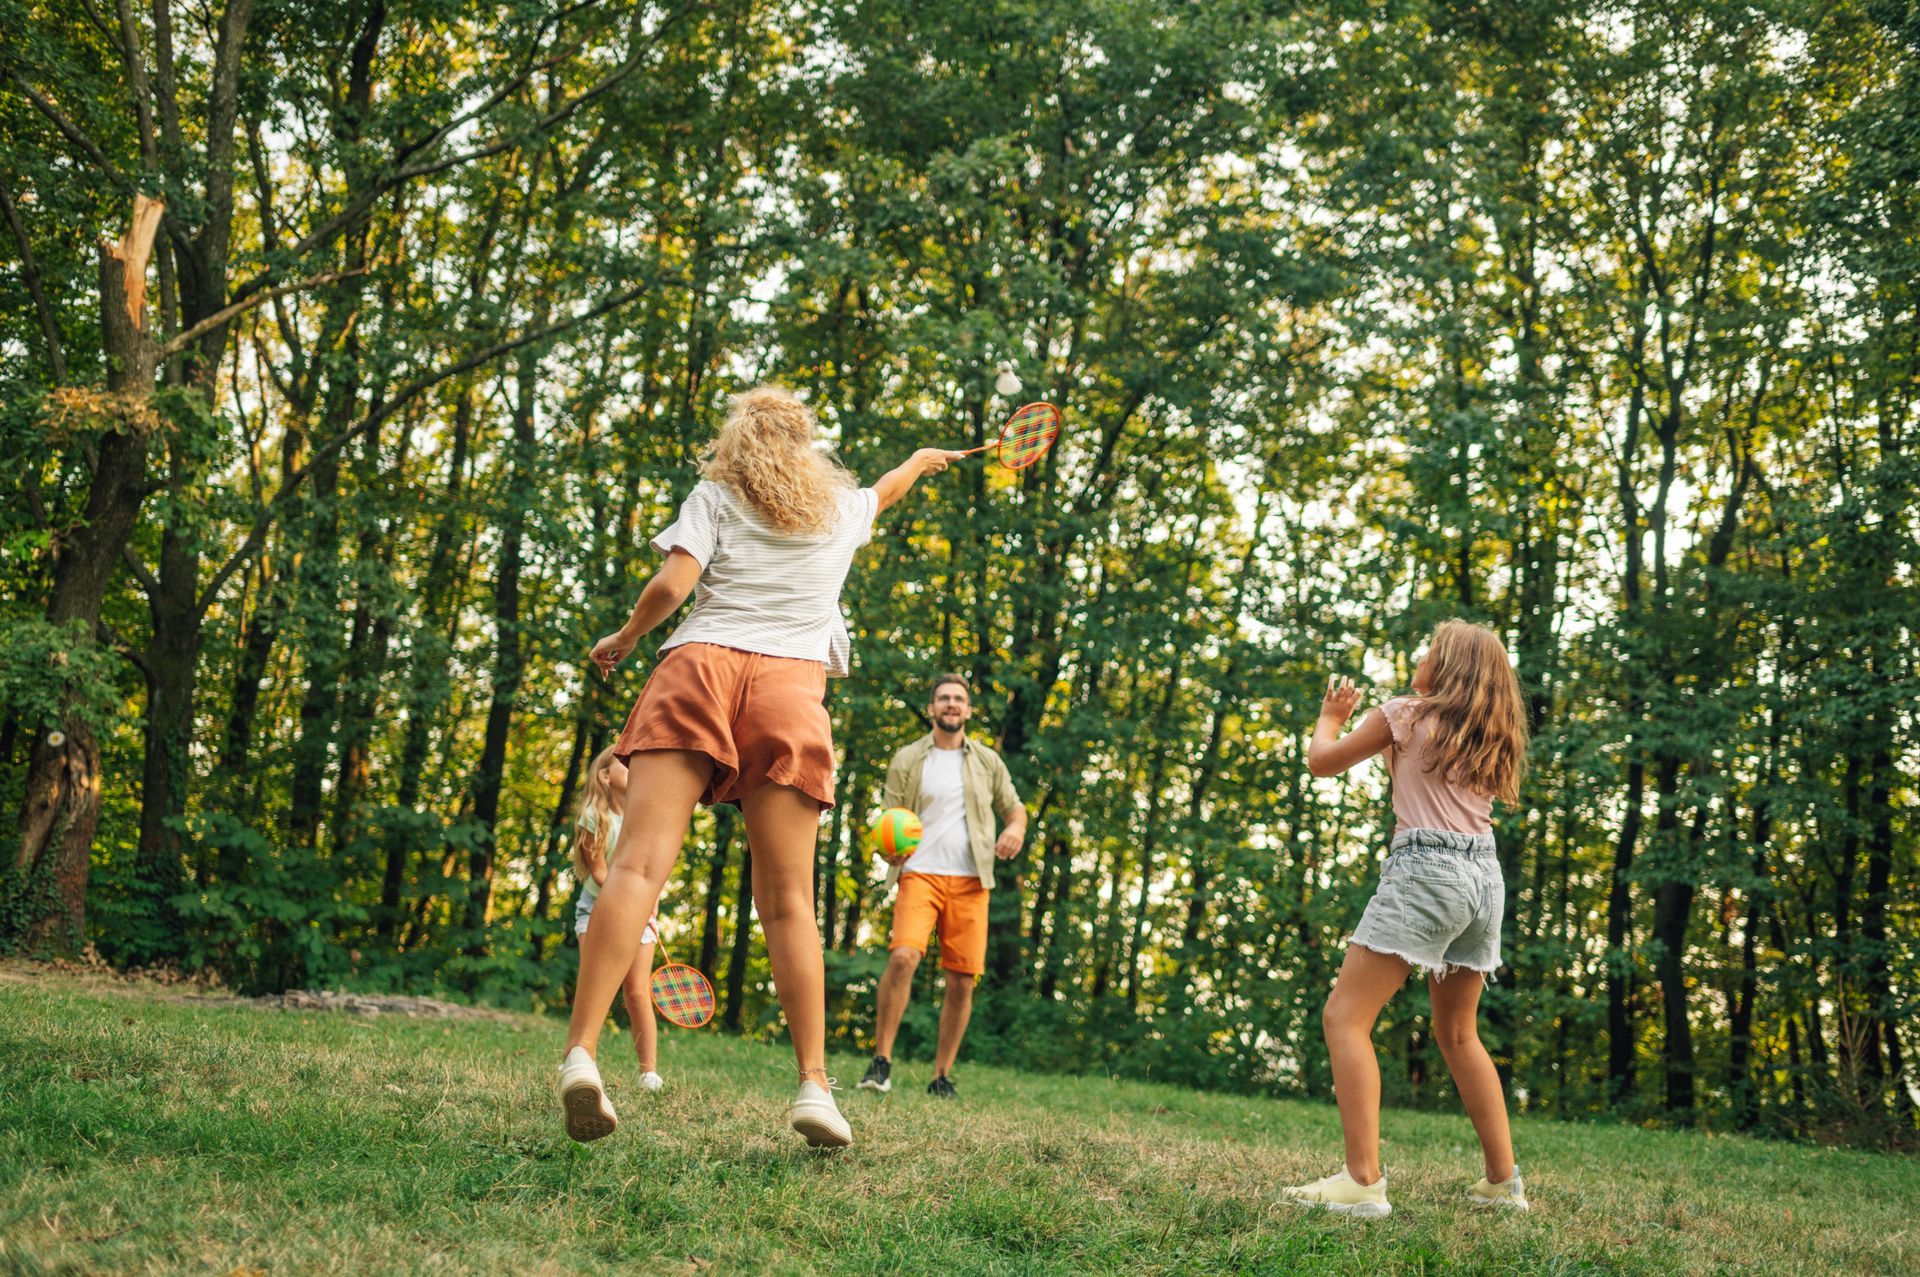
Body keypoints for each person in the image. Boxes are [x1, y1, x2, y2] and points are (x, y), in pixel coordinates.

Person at [552, 385, 962, 1149]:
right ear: (806, 448)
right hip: (788, 688)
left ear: (736, 444)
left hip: (698, 668)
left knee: (636, 865)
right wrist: (919, 459)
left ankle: (581, 1054)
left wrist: (626, 636)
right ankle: (814, 1087)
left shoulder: (714, 497)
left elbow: (673, 586)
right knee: (787, 901)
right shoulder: (839, 511)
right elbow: (887, 488)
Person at [1282, 619, 1533, 1218]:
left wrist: (1331, 717)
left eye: (1429, 651)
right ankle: (1503, 1184)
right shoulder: (1487, 733)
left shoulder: (1405, 714)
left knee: (1345, 1017)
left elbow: (1322, 763)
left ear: (1446, 667)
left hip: (1427, 871)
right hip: (1484, 879)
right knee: (1460, 1034)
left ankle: (1362, 1183)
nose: (1420, 658)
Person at [857, 673, 1025, 1100]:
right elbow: (888, 816)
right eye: (944, 698)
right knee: (903, 957)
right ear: (932, 708)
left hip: (971, 880)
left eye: (958, 699)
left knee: (963, 979)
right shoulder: (909, 758)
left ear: (968, 710)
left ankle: (941, 1076)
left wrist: (1015, 830)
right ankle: (881, 1061)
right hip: (920, 874)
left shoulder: (987, 761)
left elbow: (1014, 808)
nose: (951, 704)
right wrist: (887, 851)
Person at [570, 744, 663, 1092]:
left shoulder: (646, 819)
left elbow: (651, 871)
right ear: (605, 776)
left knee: (637, 992)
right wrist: (631, 903)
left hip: (639, 913)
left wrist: (649, 902)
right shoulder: (594, 817)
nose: (633, 768)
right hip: (596, 909)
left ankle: (649, 1072)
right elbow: (598, 871)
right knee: (594, 985)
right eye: (625, 763)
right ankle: (579, 1056)